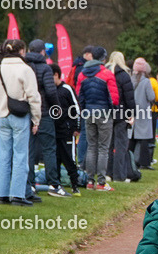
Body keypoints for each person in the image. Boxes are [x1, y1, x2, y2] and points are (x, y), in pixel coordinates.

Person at [0, 39, 40, 206]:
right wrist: (36, 119)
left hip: (2, 115)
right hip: (19, 116)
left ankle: (1, 194)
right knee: (20, 156)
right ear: (22, 51)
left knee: (3, 156)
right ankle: (17, 194)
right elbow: (33, 96)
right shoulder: (25, 69)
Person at [24, 40, 66, 197]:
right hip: (44, 112)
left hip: (27, 112)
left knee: (29, 149)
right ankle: (54, 184)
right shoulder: (45, 68)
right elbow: (50, 91)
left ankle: (30, 184)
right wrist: (56, 107)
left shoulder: (25, 67)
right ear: (43, 52)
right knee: (49, 148)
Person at [76, 46, 118, 190]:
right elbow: (114, 98)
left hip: (88, 112)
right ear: (103, 59)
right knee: (103, 148)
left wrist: (84, 109)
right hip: (104, 113)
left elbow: (79, 95)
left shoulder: (82, 74)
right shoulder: (106, 73)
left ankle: (89, 181)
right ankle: (101, 182)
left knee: (91, 147)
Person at [49, 63, 83, 195]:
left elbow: (77, 108)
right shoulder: (50, 91)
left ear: (56, 75)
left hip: (67, 131)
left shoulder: (67, 89)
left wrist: (76, 127)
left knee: (70, 158)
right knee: (55, 158)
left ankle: (75, 185)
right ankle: (56, 184)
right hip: (54, 131)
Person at [105, 51, 137, 183]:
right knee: (121, 145)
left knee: (107, 145)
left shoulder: (105, 73)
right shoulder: (124, 75)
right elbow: (129, 98)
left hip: (107, 112)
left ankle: (108, 173)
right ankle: (119, 175)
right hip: (121, 113)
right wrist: (131, 114)